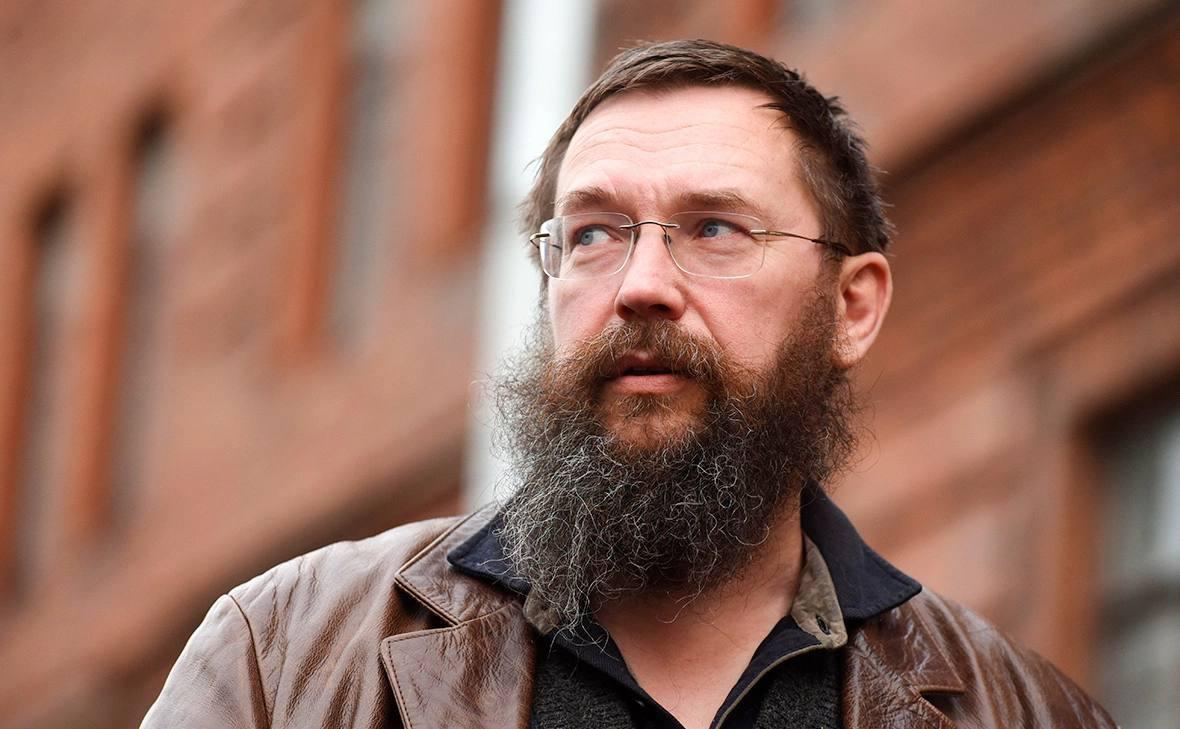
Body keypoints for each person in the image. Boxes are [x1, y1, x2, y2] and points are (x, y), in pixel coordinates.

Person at [142, 40, 1116, 729]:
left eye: (714, 229)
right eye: (594, 234)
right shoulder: (286, 658)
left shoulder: (1023, 712)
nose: (640, 284)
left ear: (850, 307)